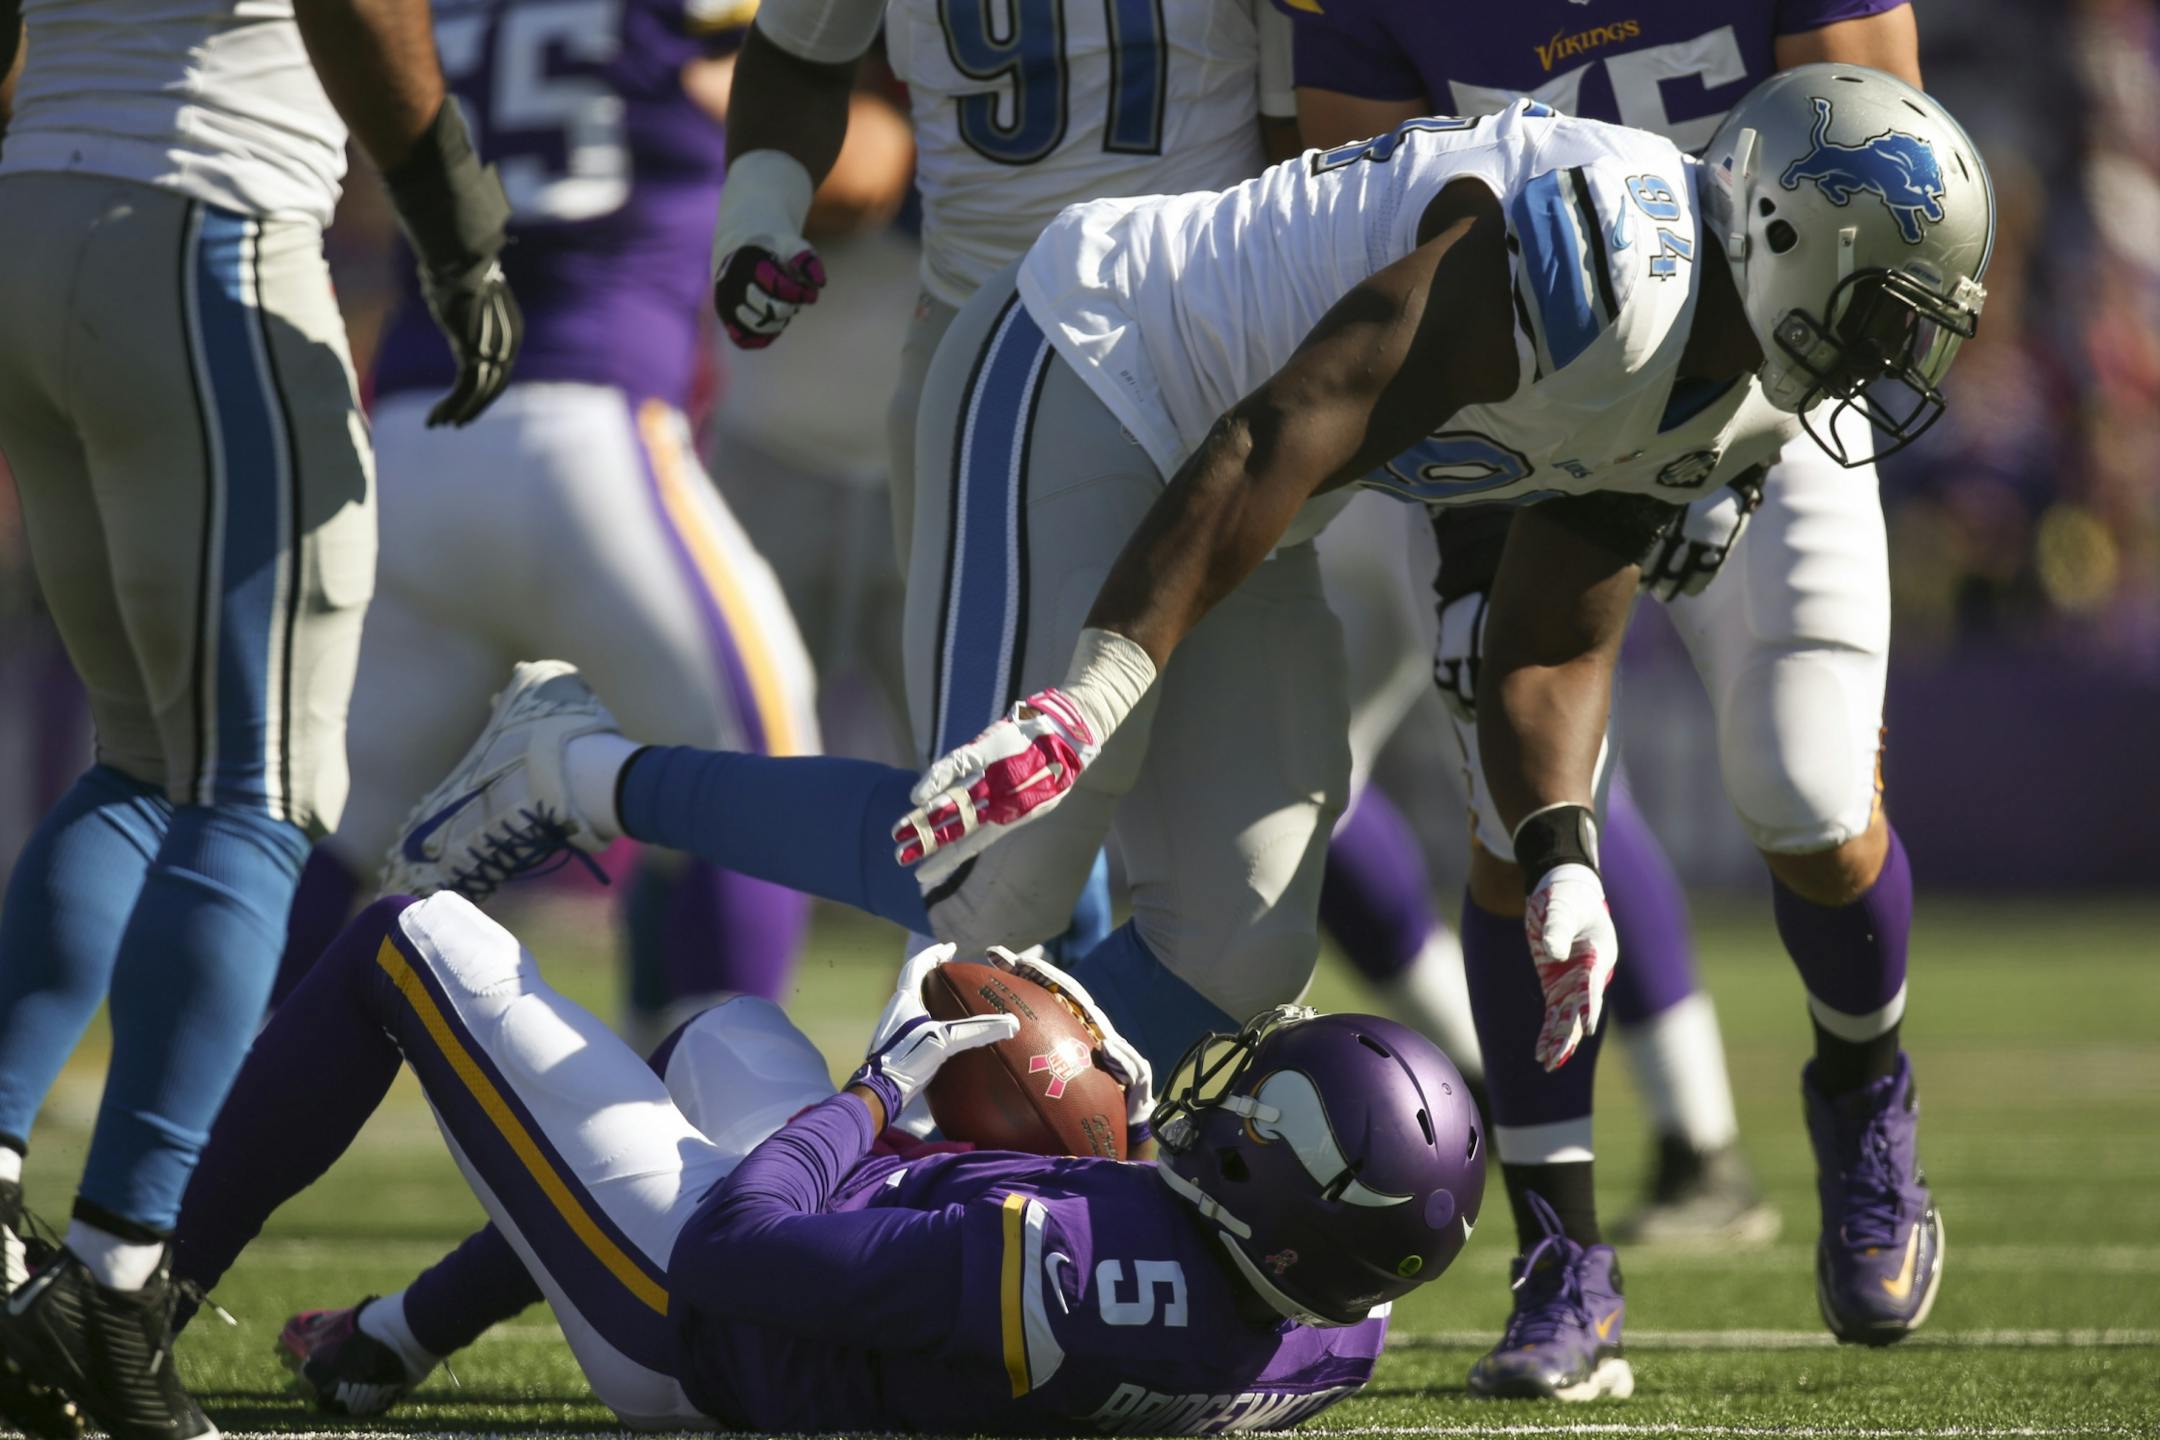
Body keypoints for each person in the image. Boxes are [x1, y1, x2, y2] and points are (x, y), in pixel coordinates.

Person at [1275, 0, 1940, 1395]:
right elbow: (1377, 256)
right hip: (1522, 424)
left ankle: (1862, 1084)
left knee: (1810, 798)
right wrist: (1496, 500)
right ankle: (1563, 1259)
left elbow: (1893, 188)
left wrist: (1729, 430)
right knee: (1517, 829)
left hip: (1784, 386)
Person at [0, 0, 520, 1426]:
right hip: (201, 220)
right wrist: (455, 214)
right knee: (261, 787)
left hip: (40, 207)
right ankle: (109, 1291)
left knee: (143, 760)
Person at [163, 898, 1483, 1433]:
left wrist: (874, 1098)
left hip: (692, 1314)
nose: (1220, 1110)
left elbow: (734, 1251)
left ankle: (133, 1301)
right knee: (725, 1035)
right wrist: (1115, 1151)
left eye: (1253, 1121)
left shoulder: (1040, 1265)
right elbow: (1201, 1270)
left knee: (408, 938)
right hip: (891, 1300)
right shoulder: (1339, 1324)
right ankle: (388, 1340)